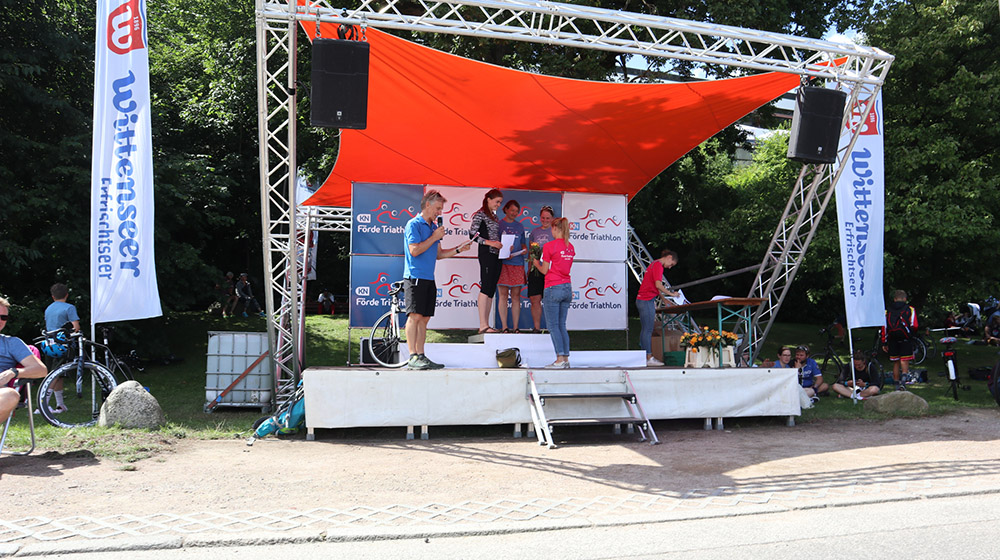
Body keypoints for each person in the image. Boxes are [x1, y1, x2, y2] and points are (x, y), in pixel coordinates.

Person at [404, 190, 474, 370]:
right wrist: (434, 237)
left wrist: (459, 249)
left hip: (429, 277)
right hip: (415, 276)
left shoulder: (433, 228)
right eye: (437, 208)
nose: (439, 212)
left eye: (441, 209)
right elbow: (414, 250)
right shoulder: (414, 224)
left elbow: (439, 254)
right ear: (427, 204)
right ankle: (412, 356)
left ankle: (421, 355)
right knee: (415, 316)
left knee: (425, 319)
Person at [531, 217, 575, 368]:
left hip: (553, 287)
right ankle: (566, 359)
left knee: (553, 326)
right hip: (567, 287)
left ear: (555, 228)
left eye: (551, 228)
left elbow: (544, 270)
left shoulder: (549, 246)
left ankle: (559, 359)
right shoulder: (570, 247)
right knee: (562, 325)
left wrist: (536, 262)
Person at [1, 297, 48, 423]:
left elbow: (41, 370)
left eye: (3, 317)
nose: (0, 320)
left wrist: (13, 372)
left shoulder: (11, 343)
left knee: (11, 395)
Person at [468, 189, 505, 334]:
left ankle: (487, 324)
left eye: (500, 203)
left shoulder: (494, 217)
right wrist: (490, 243)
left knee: (491, 289)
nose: (498, 205)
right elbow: (472, 235)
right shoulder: (480, 214)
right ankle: (482, 325)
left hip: (496, 255)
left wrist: (502, 245)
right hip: (486, 254)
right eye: (497, 202)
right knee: (485, 287)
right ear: (488, 199)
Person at [636, 250, 679, 366]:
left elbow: (655, 287)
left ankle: (644, 356)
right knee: (647, 330)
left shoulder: (654, 264)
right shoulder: (658, 266)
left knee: (645, 329)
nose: (670, 267)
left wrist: (664, 299)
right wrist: (672, 294)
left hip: (644, 300)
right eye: (671, 264)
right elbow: (658, 285)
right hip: (646, 300)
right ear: (669, 257)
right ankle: (649, 357)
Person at [43, 283, 80, 413]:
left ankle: (60, 405)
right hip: (63, 345)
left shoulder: (48, 309)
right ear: (67, 295)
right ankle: (44, 404)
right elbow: (76, 327)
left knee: (58, 374)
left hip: (49, 344)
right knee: (55, 374)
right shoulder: (69, 308)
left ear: (53, 296)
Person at [496, 200, 527, 333]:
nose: (514, 213)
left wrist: (524, 249)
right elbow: (495, 244)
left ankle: (516, 327)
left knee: (516, 296)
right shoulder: (499, 225)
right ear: (506, 210)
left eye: (516, 211)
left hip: (517, 263)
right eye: (512, 210)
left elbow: (523, 243)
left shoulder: (520, 226)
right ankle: (504, 327)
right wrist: (503, 252)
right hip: (503, 264)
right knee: (503, 295)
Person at [526, 205, 555, 333]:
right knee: (535, 299)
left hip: (550, 270)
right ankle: (536, 328)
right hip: (536, 269)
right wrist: (529, 269)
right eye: (543, 217)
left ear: (552, 218)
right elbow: (531, 252)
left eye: (548, 218)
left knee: (551, 301)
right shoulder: (534, 232)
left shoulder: (555, 232)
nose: (545, 220)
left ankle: (552, 328)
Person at [881, 289, 917, 391]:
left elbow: (884, 327)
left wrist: (884, 342)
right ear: (905, 299)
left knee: (896, 362)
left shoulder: (887, 311)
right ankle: (903, 382)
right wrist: (911, 335)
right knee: (904, 360)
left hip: (892, 339)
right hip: (905, 338)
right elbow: (914, 325)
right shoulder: (910, 309)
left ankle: (896, 384)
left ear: (895, 299)